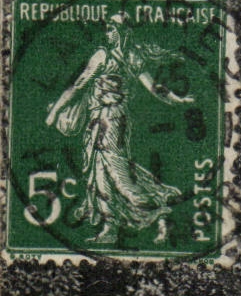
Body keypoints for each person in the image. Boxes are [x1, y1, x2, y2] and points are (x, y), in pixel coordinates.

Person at [45, 13, 192, 244]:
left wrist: (176, 99)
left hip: (113, 122)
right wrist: (175, 99)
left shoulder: (118, 56)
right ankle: (110, 227)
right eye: (108, 29)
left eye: (113, 29)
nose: (108, 33)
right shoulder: (116, 55)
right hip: (99, 121)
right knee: (99, 172)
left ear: (124, 32)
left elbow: (152, 87)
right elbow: (80, 84)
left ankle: (162, 211)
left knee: (119, 177)